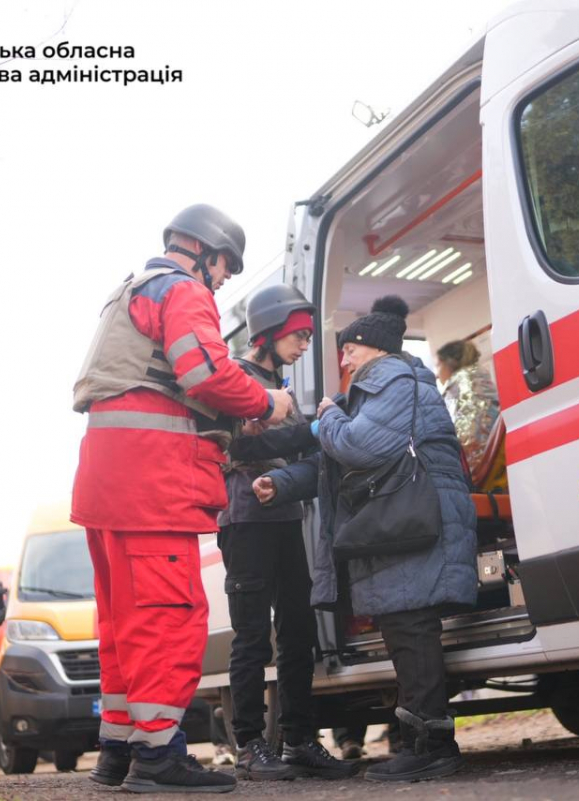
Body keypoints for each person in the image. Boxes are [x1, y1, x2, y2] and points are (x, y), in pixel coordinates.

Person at [71, 204, 294, 794]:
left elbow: (163, 385)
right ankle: (159, 758)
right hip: (154, 484)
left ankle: (117, 750)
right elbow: (205, 374)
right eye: (226, 269)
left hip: (107, 480)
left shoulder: (131, 292)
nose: (223, 281)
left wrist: (220, 419)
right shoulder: (186, 292)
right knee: (170, 617)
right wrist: (267, 403)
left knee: (122, 620)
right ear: (208, 252)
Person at [255, 295, 477, 782]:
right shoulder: (383, 386)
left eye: (350, 350)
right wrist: (283, 483)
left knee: (412, 627)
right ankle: (422, 741)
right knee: (404, 625)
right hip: (405, 523)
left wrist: (328, 416)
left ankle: (433, 745)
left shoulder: (394, 380)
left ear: (373, 348)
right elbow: (334, 469)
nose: (344, 359)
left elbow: (357, 447)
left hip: (413, 522)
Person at [218, 285, 355, 782]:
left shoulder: (284, 392)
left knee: (299, 633)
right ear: (269, 332)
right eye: (297, 335)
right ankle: (251, 746)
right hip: (244, 522)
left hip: (286, 521)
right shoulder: (234, 380)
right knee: (252, 636)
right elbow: (240, 446)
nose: (303, 344)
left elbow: (291, 451)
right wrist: (314, 429)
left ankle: (298, 740)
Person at [435, 339, 500, 479]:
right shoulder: (481, 379)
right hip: (499, 464)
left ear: (447, 363)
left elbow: (465, 439)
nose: (437, 372)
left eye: (438, 365)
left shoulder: (457, 387)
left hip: (479, 472)